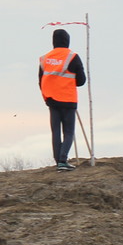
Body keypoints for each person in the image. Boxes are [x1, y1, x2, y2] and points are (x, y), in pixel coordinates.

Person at [38, 29, 87, 170]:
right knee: (69, 132)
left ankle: (58, 160)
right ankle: (63, 161)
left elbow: (40, 81)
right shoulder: (73, 57)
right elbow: (81, 81)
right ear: (67, 40)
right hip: (68, 99)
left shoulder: (44, 58)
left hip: (51, 100)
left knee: (55, 131)